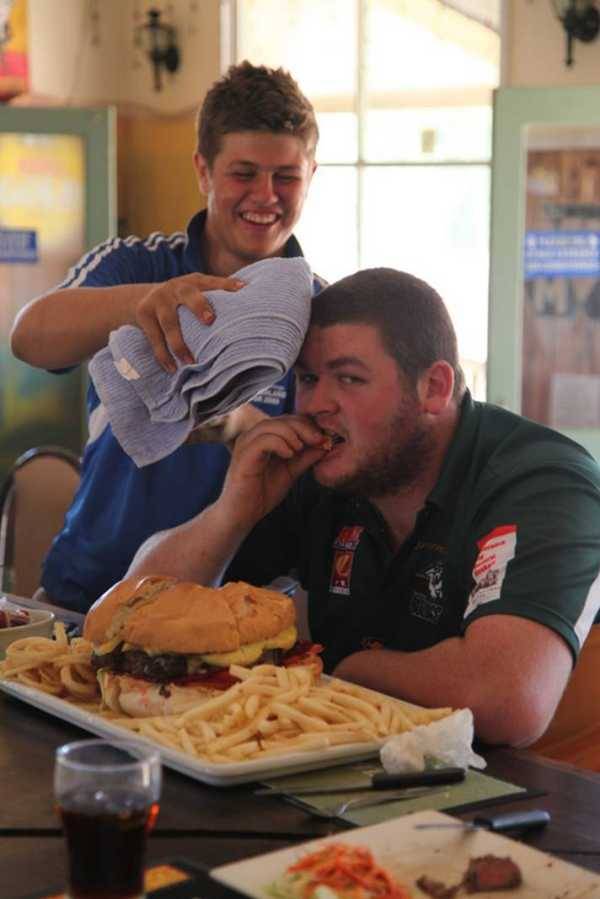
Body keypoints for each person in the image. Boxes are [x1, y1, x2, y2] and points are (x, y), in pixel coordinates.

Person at [128, 267, 600, 747]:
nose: (316, 404)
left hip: (551, 795)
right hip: (384, 777)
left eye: (349, 378)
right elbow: (134, 610)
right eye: (309, 378)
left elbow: (507, 699)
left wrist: (339, 670)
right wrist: (231, 513)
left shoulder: (544, 481)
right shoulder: (330, 470)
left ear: (434, 388)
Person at [10, 61, 321, 612]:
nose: (265, 195)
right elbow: (29, 337)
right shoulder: (135, 263)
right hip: (87, 594)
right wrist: (140, 305)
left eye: (286, 176)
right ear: (203, 170)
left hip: (233, 615)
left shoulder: (324, 306)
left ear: (311, 175)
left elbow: (332, 458)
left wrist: (241, 423)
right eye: (243, 173)